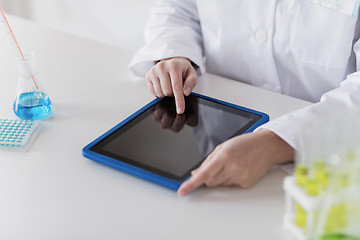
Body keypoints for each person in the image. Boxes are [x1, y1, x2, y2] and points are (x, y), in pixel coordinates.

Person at [129, 0, 360, 197]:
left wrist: (276, 144)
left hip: (324, 157)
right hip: (215, 133)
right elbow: (178, 8)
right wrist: (175, 53)